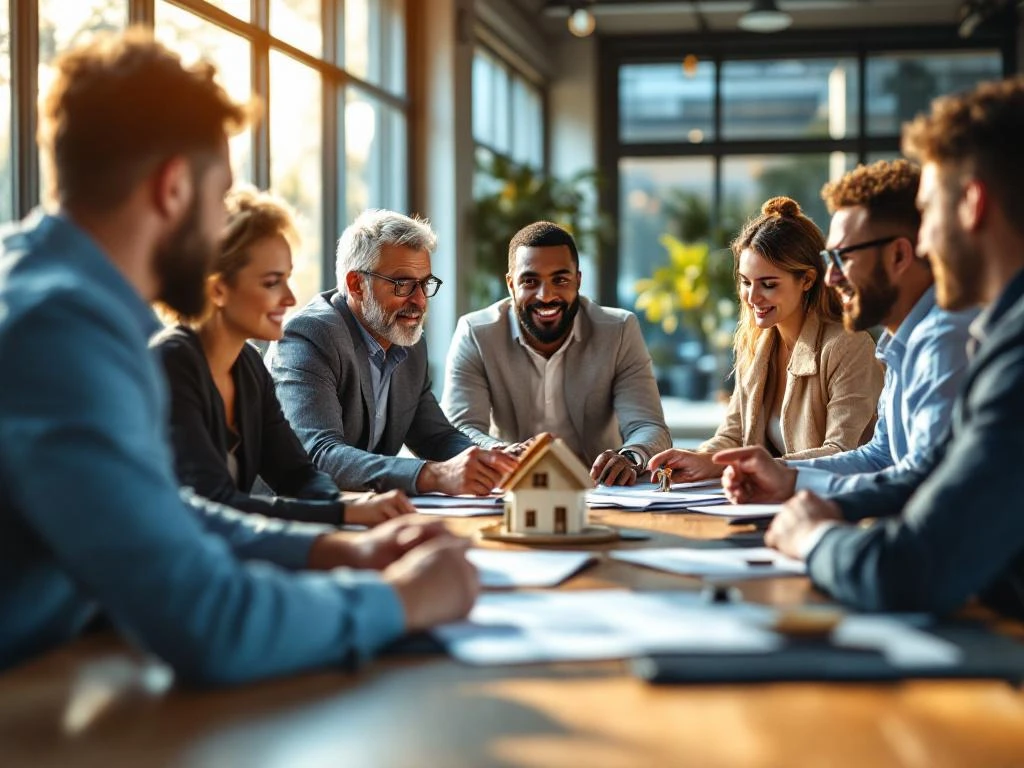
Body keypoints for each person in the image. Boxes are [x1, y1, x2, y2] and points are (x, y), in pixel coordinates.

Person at [0, 30, 476, 682]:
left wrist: (339, 551)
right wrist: (402, 598)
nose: (223, 225)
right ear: (173, 188)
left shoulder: (50, 302)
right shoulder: (62, 336)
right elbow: (209, 621)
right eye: (220, 198)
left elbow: (163, 512)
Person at [762, 76, 1024, 617]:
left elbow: (911, 567)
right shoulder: (998, 335)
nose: (924, 242)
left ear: (973, 204)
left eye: (928, 214)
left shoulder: (1012, 352)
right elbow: (927, 475)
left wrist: (812, 538)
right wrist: (810, 496)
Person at [713, 160, 976, 503]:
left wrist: (819, 529)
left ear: (899, 255)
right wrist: (787, 477)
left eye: (844, 258)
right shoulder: (899, 344)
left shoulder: (946, 344)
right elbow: (879, 456)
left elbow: (922, 484)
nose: (831, 278)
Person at [153, 188, 414, 526]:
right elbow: (214, 503)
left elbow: (298, 475)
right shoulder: (171, 363)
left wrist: (358, 507)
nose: (290, 298)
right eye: (273, 282)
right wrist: (343, 511)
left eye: (288, 279)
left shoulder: (246, 364)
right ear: (217, 289)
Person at [269, 210, 518, 495]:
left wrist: (498, 457)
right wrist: (433, 474)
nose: (420, 301)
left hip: (364, 514)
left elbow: (436, 437)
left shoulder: (408, 341)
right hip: (293, 519)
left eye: (425, 284)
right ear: (356, 285)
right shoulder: (310, 336)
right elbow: (319, 455)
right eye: (403, 285)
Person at [647, 196, 883, 481]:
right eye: (746, 282)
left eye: (768, 284)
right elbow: (732, 437)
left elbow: (841, 452)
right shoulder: (756, 343)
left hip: (831, 504)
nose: (752, 297)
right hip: (769, 501)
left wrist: (729, 466)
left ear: (807, 280)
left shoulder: (848, 346)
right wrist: (696, 459)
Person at [441, 221, 671, 487]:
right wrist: (504, 453)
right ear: (510, 285)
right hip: (514, 487)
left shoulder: (619, 330)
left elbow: (650, 426)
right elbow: (459, 429)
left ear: (578, 281)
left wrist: (630, 457)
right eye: (530, 281)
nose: (546, 295)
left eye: (560, 279)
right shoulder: (476, 333)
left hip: (602, 490)